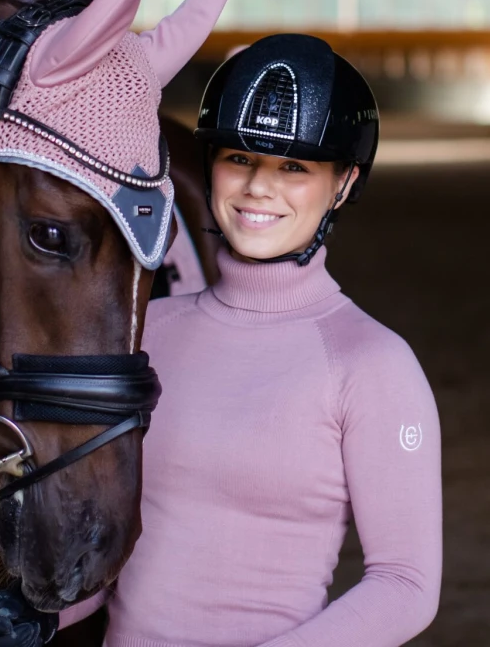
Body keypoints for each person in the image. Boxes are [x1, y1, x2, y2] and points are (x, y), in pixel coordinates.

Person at [61, 34, 442, 647]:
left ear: (343, 184)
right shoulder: (147, 331)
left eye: (294, 167)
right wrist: (32, 618)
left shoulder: (372, 364)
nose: (258, 187)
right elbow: (114, 552)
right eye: (239, 158)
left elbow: (406, 585)